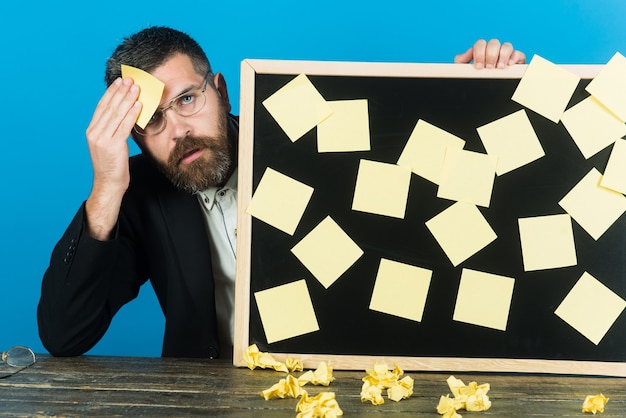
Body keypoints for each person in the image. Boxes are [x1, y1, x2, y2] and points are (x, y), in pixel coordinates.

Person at [37, 27, 526, 359]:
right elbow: (65, 334)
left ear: (222, 92)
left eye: (187, 99)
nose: (179, 130)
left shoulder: (311, 144)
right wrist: (106, 189)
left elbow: (434, 198)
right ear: (134, 135)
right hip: (209, 396)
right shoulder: (142, 192)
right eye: (152, 120)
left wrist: (480, 94)